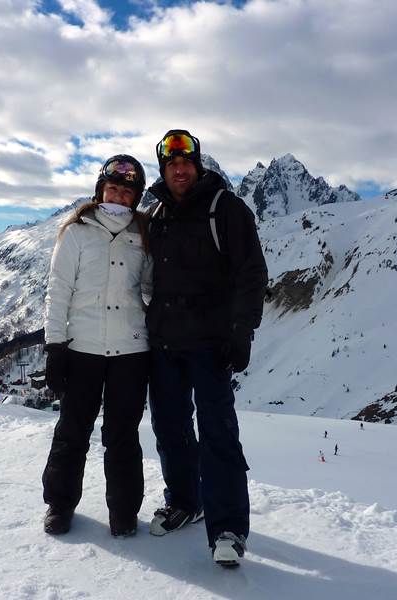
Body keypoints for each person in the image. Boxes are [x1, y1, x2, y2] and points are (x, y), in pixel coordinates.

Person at [144, 129, 268, 567]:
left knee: (218, 433)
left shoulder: (226, 209)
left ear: (197, 167)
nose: (179, 170)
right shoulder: (156, 214)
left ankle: (229, 527)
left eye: (186, 163)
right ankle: (185, 501)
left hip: (210, 344)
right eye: (171, 164)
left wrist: (242, 329)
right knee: (170, 429)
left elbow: (252, 272)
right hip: (164, 344)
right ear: (164, 170)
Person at [41, 154, 152, 538]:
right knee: (72, 432)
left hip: (131, 352)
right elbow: (58, 291)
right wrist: (55, 346)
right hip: (82, 349)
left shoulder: (145, 233)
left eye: (127, 192)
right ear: (100, 190)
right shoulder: (76, 232)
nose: (118, 197)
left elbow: (151, 289)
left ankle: (123, 512)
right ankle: (59, 505)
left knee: (123, 436)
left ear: (135, 197)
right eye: (113, 188)